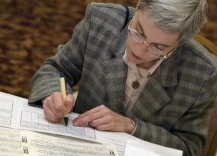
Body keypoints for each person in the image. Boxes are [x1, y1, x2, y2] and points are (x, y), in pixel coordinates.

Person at [29, 0, 217, 156]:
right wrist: (53, 96)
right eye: (138, 32)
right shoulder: (100, 21)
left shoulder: (203, 74)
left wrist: (131, 126)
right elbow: (55, 69)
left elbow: (189, 148)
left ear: (179, 44)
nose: (139, 49)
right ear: (138, 7)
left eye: (158, 47)